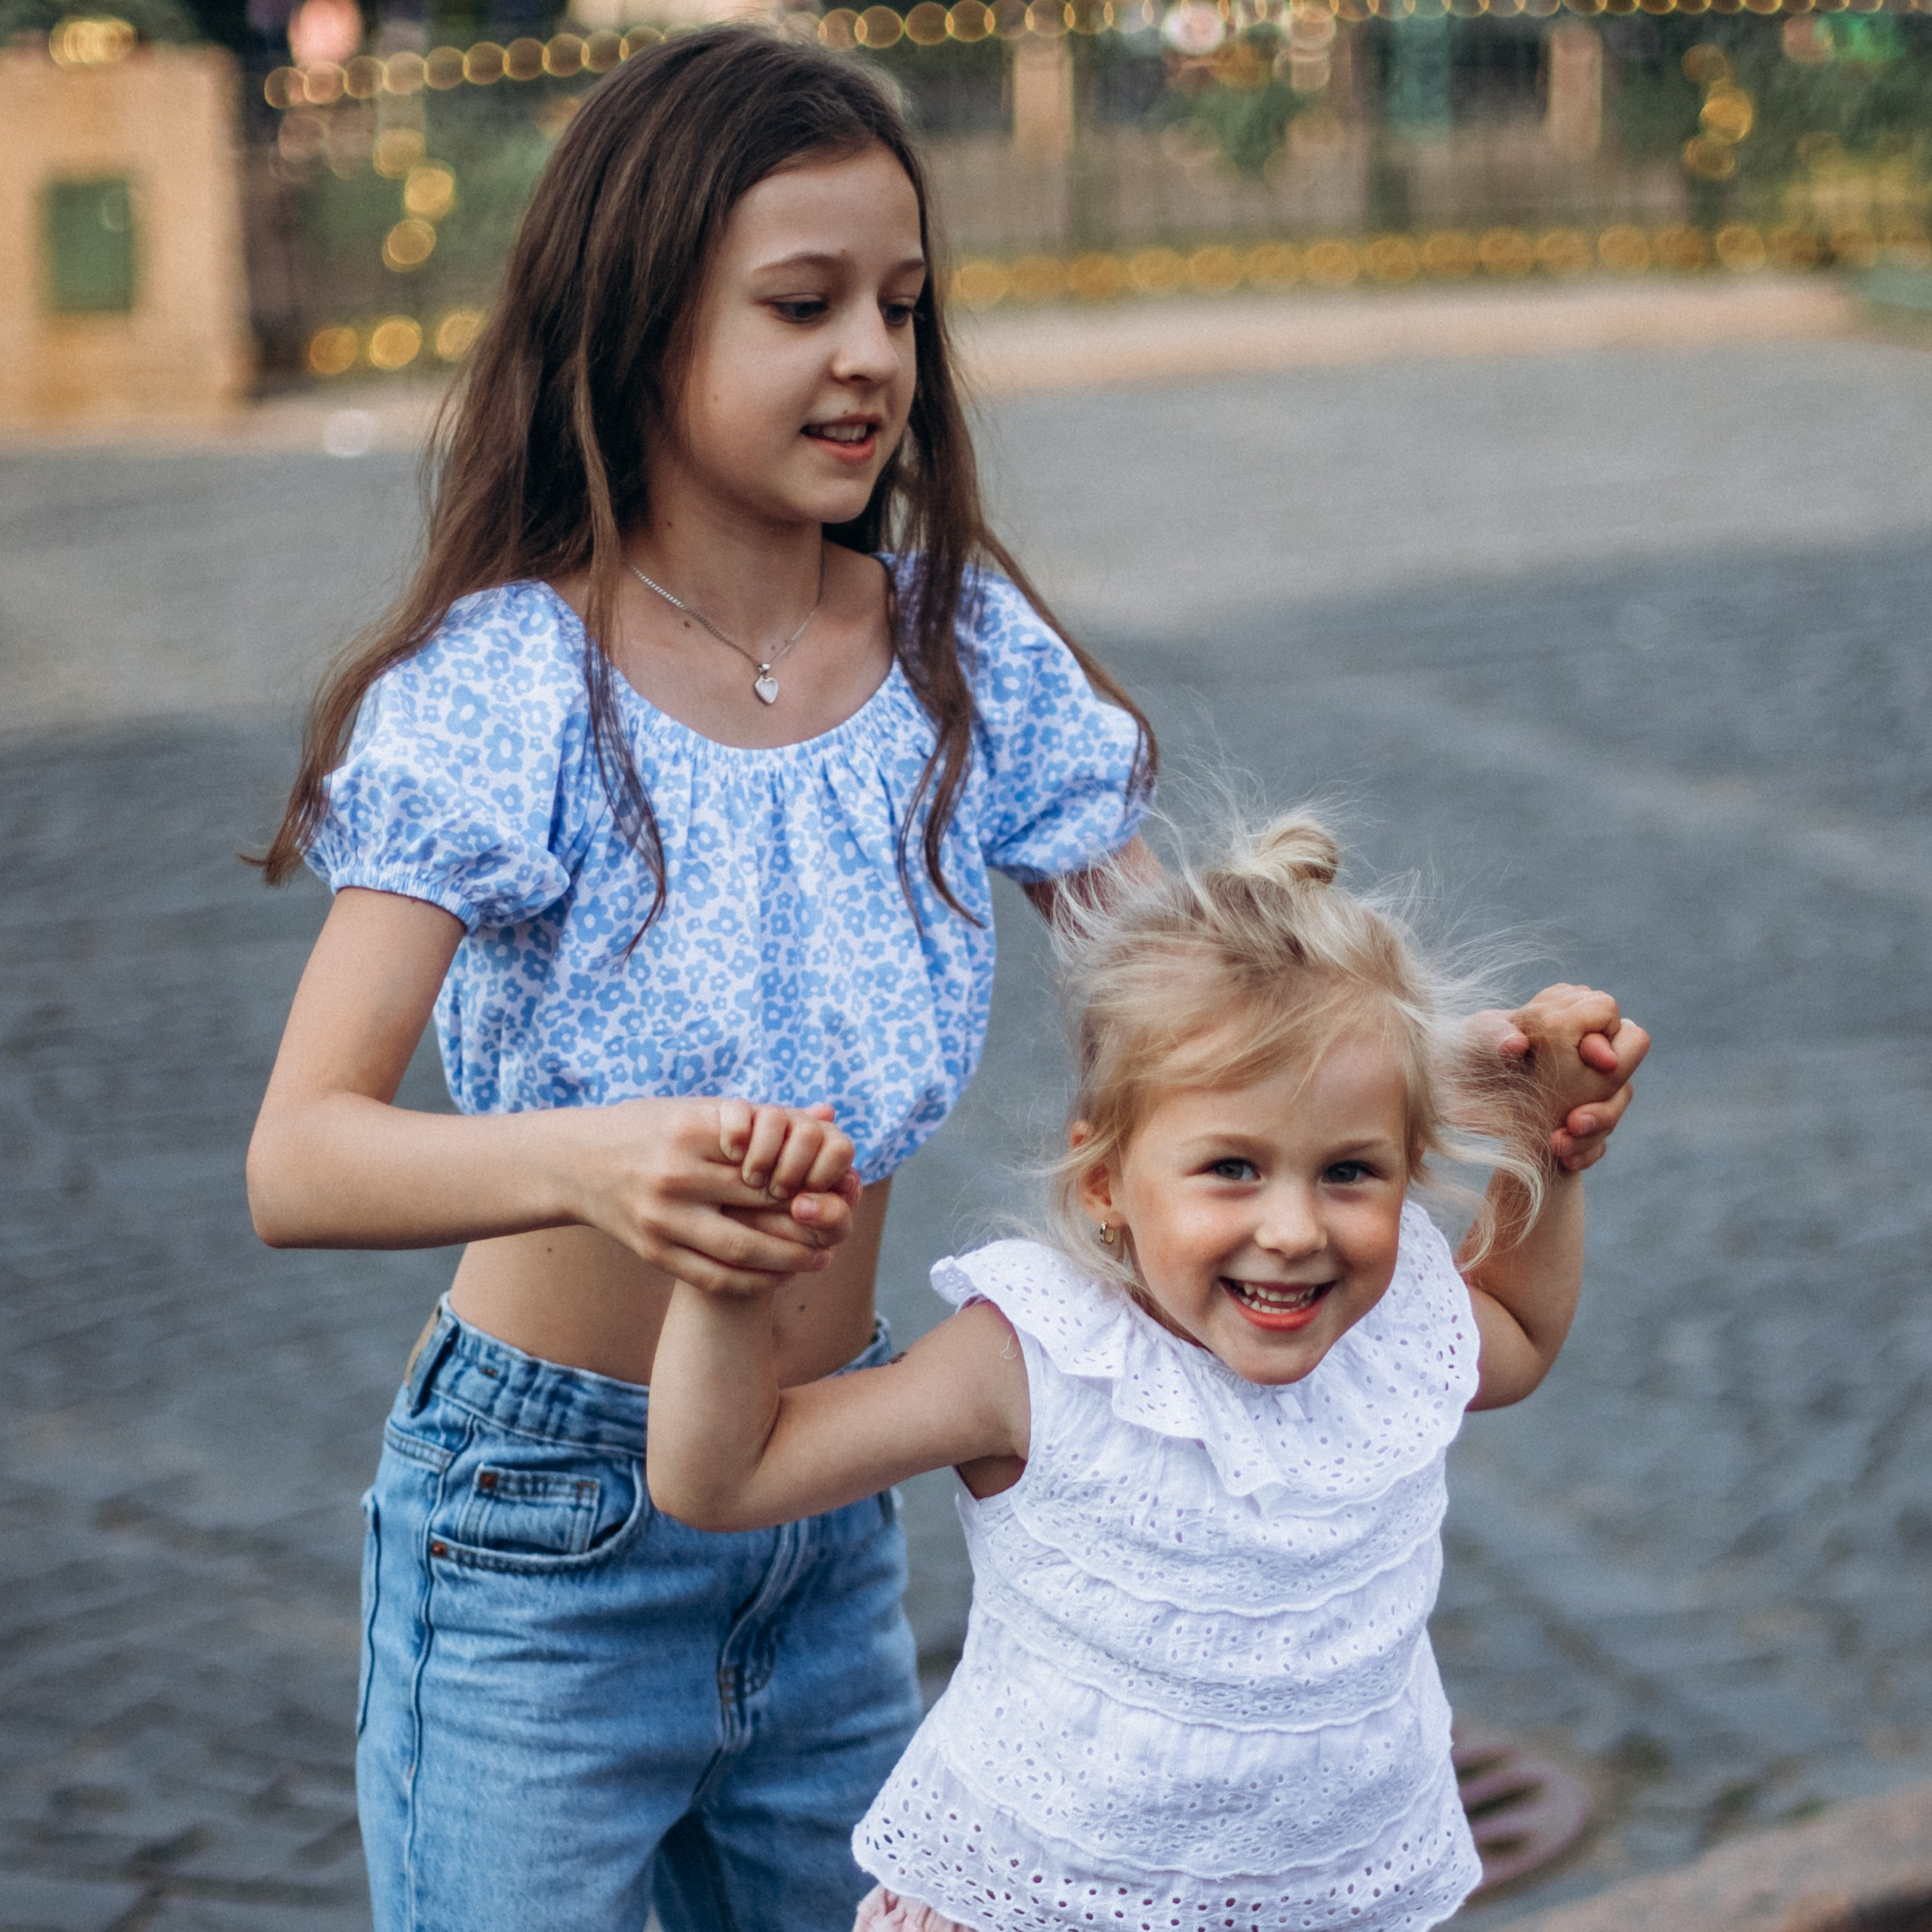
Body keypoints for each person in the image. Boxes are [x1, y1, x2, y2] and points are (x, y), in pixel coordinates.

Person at [245, 26, 1638, 1932]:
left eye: (899, 306)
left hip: (830, 1498)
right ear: (638, 322)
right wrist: (601, 1161)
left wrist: (1444, 1073)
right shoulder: (509, 687)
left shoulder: (954, 651)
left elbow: (1203, 1013)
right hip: (536, 1526)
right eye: (799, 304)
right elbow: (301, 1155)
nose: (869, 359)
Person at [645, 814, 1649, 1932]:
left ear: (1410, 1167)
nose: (1293, 1230)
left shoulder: (1389, 1325)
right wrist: (728, 1281)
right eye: (1232, 1167)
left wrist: (1544, 1148)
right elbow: (726, 1478)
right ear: (1106, 1181)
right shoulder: (1034, 1357)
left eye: (1349, 1172)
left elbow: (1512, 1332)